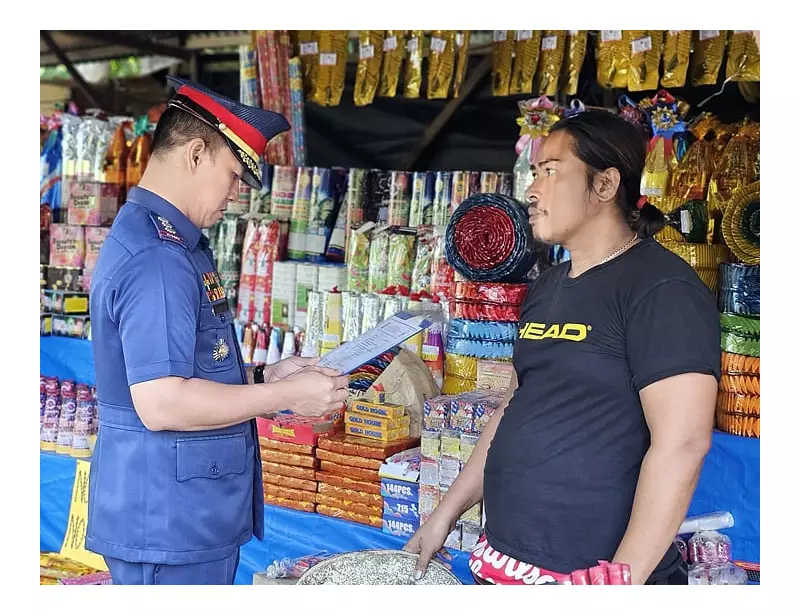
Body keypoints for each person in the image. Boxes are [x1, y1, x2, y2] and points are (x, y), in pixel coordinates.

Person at [405, 110, 720, 585]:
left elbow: (682, 444)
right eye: (534, 173)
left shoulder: (661, 289)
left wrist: (620, 580)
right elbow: (512, 407)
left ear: (605, 184)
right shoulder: (547, 286)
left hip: (590, 575)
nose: (532, 190)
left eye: (550, 171)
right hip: (508, 560)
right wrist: (443, 517)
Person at [86, 77, 349, 585]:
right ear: (196, 153)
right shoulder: (159, 258)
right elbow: (163, 402)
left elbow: (187, 367)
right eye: (232, 176)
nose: (234, 195)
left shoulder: (170, 242)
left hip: (179, 512)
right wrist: (288, 395)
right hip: (169, 517)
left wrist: (265, 377)